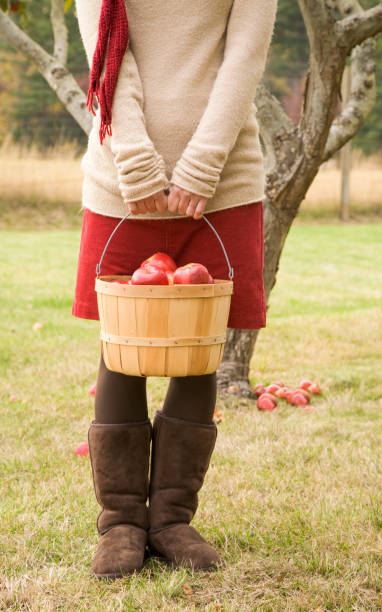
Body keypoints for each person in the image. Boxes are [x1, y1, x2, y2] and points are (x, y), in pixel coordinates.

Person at [72, 0, 278, 581]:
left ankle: (169, 519)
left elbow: (244, 56)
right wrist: (135, 161)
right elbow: (109, 54)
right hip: (122, 176)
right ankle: (120, 522)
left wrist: (203, 162)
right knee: (124, 345)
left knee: (198, 345)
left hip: (225, 177)